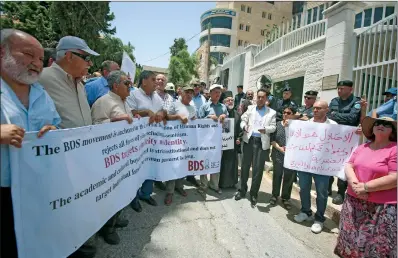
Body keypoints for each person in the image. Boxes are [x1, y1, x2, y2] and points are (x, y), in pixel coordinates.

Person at [0, 29, 61, 258]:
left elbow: (56, 123)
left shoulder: (41, 93)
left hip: (37, 185)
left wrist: (54, 131)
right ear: (2, 52)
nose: (37, 63)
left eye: (41, 59)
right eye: (28, 55)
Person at [39, 35, 100, 258]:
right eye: (85, 58)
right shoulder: (42, 79)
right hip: (58, 162)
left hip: (83, 159)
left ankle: (83, 244)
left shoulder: (80, 84)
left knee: (82, 206)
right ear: (68, 56)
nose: (89, 64)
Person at [334, 116, 397, 257]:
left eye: (386, 124)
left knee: (375, 246)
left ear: (392, 132)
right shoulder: (363, 147)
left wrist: (366, 187)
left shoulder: (395, 149)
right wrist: (356, 186)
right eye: (378, 123)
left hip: (381, 207)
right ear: (372, 129)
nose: (381, 125)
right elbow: (349, 165)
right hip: (353, 201)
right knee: (351, 239)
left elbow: (395, 177)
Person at [90, 70, 132, 245]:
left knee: (121, 190)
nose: (130, 87)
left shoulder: (125, 101)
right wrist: (114, 121)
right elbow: (94, 127)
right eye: (127, 84)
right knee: (110, 193)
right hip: (109, 158)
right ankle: (107, 228)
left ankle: (116, 218)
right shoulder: (103, 102)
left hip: (124, 154)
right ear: (115, 85)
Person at [292, 101, 339, 234]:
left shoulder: (333, 126)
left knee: (322, 192)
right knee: (304, 188)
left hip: (323, 166)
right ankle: (305, 211)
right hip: (305, 163)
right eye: (314, 108)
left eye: (319, 108)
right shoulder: (306, 124)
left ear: (327, 110)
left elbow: (339, 142)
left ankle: (319, 219)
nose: (316, 110)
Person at [126, 70, 166, 212]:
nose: (156, 82)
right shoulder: (133, 94)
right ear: (144, 81)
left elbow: (163, 110)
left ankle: (146, 194)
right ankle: (134, 198)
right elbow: (129, 113)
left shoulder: (156, 96)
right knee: (138, 168)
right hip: (138, 141)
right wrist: (146, 112)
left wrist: (161, 113)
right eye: (153, 79)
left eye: (157, 79)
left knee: (150, 166)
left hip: (154, 140)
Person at [235, 89, 276, 206]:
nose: (260, 99)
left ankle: (253, 193)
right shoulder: (250, 108)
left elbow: (273, 127)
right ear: (256, 98)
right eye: (258, 97)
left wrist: (266, 130)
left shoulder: (271, 112)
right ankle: (242, 190)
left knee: (258, 170)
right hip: (249, 140)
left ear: (266, 99)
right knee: (244, 167)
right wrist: (244, 127)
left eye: (263, 97)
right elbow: (243, 119)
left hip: (261, 142)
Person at [327, 80, 361, 205]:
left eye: (342, 88)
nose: (339, 91)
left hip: (348, 139)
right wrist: (336, 115)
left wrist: (335, 115)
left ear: (350, 89)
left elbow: (352, 119)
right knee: (329, 162)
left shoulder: (356, 102)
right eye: (338, 88)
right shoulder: (334, 101)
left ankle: (341, 193)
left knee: (344, 165)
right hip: (333, 137)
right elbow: (328, 115)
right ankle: (327, 188)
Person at [164, 85, 197, 205]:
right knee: (173, 165)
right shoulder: (175, 104)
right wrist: (177, 117)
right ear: (182, 93)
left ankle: (179, 186)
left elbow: (194, 121)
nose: (189, 95)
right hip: (174, 140)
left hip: (186, 141)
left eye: (191, 93)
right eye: (187, 92)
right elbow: (166, 117)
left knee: (182, 164)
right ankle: (169, 191)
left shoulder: (192, 108)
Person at [198, 84, 228, 194]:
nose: (218, 94)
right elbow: (198, 123)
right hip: (206, 140)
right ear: (210, 93)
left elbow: (227, 123)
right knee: (204, 162)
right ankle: (203, 184)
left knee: (216, 163)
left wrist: (225, 117)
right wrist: (209, 118)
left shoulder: (223, 107)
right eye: (215, 92)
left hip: (219, 140)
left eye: (219, 93)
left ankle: (214, 185)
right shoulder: (204, 107)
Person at [269, 106, 297, 210]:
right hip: (278, 155)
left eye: (288, 113)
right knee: (277, 175)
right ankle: (274, 195)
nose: (285, 114)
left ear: (293, 114)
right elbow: (272, 140)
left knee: (289, 177)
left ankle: (285, 198)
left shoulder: (297, 126)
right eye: (284, 112)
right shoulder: (277, 125)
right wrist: (281, 149)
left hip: (291, 156)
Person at [153, 74, 174, 191]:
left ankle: (159, 179)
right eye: (158, 79)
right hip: (153, 133)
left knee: (163, 156)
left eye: (163, 80)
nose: (160, 81)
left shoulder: (170, 98)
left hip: (167, 133)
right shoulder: (150, 95)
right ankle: (154, 180)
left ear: (166, 83)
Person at [185, 78, 207, 187]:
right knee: (186, 151)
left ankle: (191, 175)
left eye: (198, 85)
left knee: (195, 152)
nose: (196, 87)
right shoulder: (186, 97)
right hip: (187, 129)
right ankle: (183, 173)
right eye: (194, 85)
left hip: (199, 130)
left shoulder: (203, 98)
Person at [219, 95, 240, 189]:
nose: (231, 101)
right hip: (222, 142)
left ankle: (232, 183)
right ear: (224, 102)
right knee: (223, 162)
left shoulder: (237, 114)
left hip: (233, 143)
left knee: (232, 162)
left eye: (232, 100)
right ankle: (222, 183)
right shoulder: (221, 113)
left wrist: (239, 138)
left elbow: (240, 128)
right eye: (228, 100)